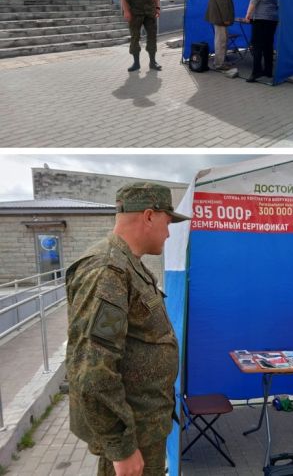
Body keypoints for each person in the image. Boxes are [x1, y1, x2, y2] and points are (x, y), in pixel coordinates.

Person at [65, 181, 191, 476]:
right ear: (149, 216)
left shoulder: (127, 265)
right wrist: (121, 447)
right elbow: (91, 367)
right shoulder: (107, 270)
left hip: (144, 426)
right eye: (167, 221)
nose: (169, 231)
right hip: (131, 434)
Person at [119, 0, 161, 72]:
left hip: (150, 12)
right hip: (135, 13)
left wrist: (157, 8)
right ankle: (136, 63)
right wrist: (126, 11)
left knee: (152, 37)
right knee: (135, 37)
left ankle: (153, 62)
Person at [244, 0, 278, 82]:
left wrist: (248, 15)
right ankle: (268, 71)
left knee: (257, 45)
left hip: (261, 19)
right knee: (268, 45)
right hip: (272, 19)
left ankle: (256, 72)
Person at [205, 0, 235, 70]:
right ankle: (218, 64)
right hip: (220, 18)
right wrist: (226, 18)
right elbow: (222, 2)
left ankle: (221, 61)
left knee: (222, 40)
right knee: (221, 41)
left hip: (218, 16)